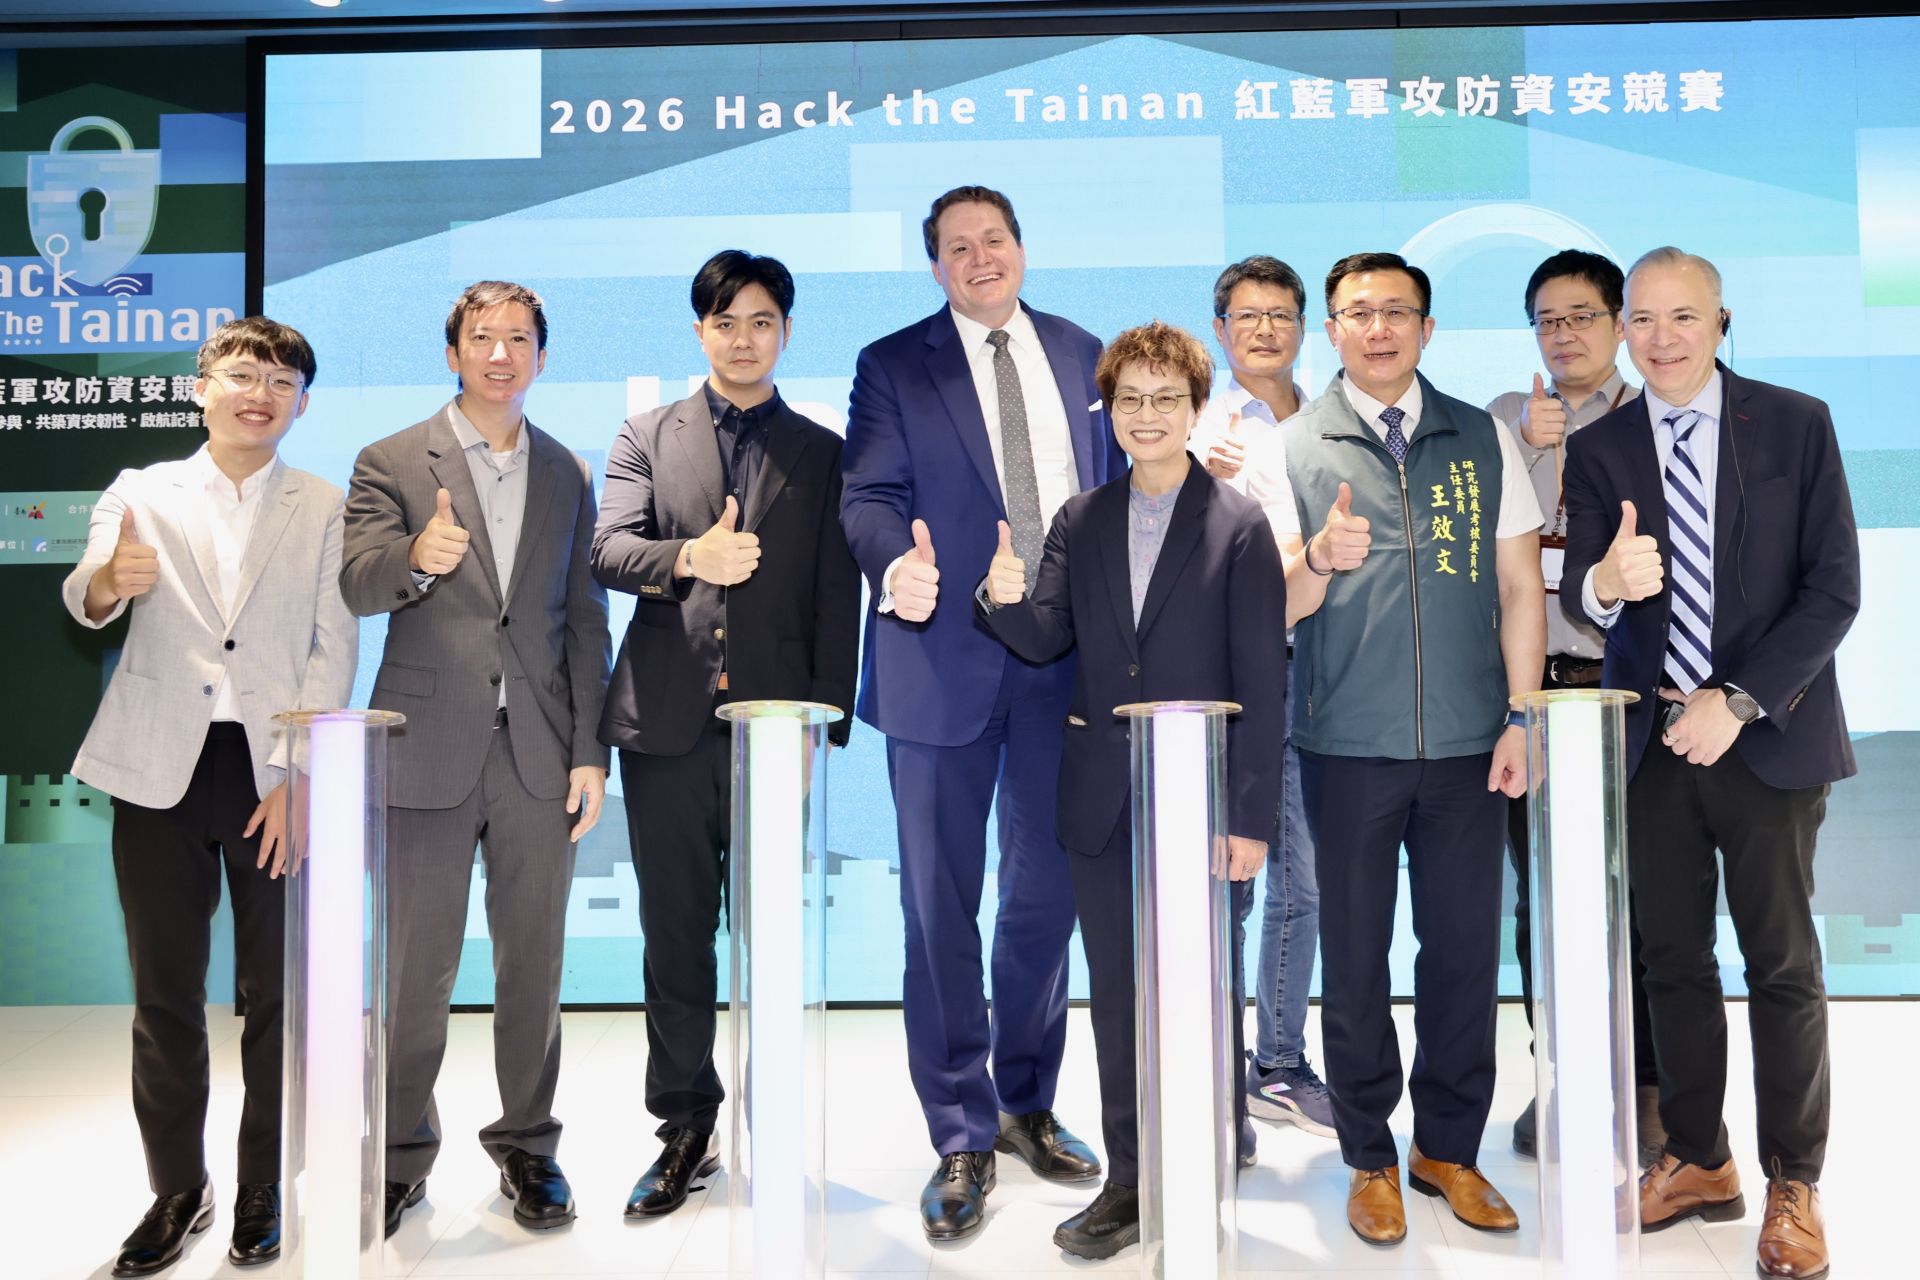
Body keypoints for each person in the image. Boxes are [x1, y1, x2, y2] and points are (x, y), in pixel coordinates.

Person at [1560, 247, 1857, 1280]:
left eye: (1683, 316)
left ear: (1721, 321)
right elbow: (1580, 597)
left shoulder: (1796, 422)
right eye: (1642, 319)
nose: (1662, 338)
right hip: (1652, 747)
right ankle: (1698, 1156)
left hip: (1767, 736)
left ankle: (1794, 1182)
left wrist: (1734, 701)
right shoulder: (1599, 447)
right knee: (1672, 962)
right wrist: (1605, 582)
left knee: (1782, 965)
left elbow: (1834, 589)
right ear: (1623, 329)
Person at [840, 185, 1127, 1240]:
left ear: (1020, 246)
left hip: (1065, 664)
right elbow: (868, 497)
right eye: (956, 248)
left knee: (1046, 897)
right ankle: (960, 1130)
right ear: (936, 267)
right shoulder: (893, 364)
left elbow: (1118, 488)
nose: (978, 258)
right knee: (939, 905)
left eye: (992, 239)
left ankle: (1025, 1098)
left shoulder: (1084, 353)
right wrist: (895, 570)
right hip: (937, 660)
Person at [1243, 251, 1545, 1245]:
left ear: (1426, 327)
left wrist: (1523, 717)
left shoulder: (1482, 437)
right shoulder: (1288, 447)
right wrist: (1316, 559)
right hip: (1345, 744)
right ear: (1332, 329)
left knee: (1462, 954)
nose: (1379, 329)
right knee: (1356, 958)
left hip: (1469, 744)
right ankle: (1370, 1153)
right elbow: (1270, 605)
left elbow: (1518, 587)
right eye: (1359, 313)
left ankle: (1447, 1148)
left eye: (1397, 312)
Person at [977, 320, 1286, 1258]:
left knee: (1198, 996)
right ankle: (1131, 1182)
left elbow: (1262, 681)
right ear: (1107, 410)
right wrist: (998, 598)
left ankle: (1202, 1158)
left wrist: (1249, 818)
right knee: (1118, 1000)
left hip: (1200, 805)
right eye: (1130, 400)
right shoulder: (1081, 519)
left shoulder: (1238, 524)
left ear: (1196, 410)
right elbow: (1046, 637)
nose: (1147, 416)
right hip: (1102, 801)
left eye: (1166, 399)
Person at [62, 317, 356, 1276]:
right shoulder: (141, 489)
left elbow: (333, 644)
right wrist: (109, 581)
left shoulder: (323, 503)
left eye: (280, 381)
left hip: (269, 771)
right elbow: (85, 593)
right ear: (202, 389)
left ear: (301, 403)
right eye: (240, 374)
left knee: (276, 995)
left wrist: (299, 772)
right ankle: (177, 1190)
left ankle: (263, 1183)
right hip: (158, 768)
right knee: (165, 994)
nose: (258, 394)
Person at [590, 251, 860, 1217]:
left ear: (785, 331)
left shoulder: (824, 450)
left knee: (771, 940)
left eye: (761, 322)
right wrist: (689, 558)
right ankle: (685, 1129)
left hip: (776, 729)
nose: (743, 339)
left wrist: (820, 725)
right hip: (664, 726)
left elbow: (837, 594)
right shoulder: (645, 434)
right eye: (725, 322)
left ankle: (772, 1121)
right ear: (699, 331)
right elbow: (608, 549)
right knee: (676, 938)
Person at [340, 281, 611, 1237]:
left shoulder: (567, 471)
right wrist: (418, 556)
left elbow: (584, 620)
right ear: (453, 352)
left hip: (540, 753)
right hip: (424, 749)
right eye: (483, 337)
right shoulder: (389, 459)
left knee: (533, 965)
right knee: (415, 972)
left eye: (520, 339)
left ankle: (529, 1148)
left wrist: (590, 751)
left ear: (542, 355)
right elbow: (357, 584)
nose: (501, 354)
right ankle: (399, 1153)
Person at [1485, 249, 1664, 1165]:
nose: (1564, 335)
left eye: (1583, 316)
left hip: (1627, 688)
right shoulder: (1502, 418)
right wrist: (1527, 443)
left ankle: (1647, 1085)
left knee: (1641, 896)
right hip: (1538, 691)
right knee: (1544, 904)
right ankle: (1561, 1076)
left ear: (1619, 324)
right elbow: (1493, 547)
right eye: (1547, 320)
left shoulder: (1655, 416)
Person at [1192, 254, 1336, 1139]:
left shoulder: (1330, 419)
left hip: (1325, 671)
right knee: (1227, 884)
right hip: (1236, 680)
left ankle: (1278, 1064)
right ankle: (1214, 1075)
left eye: (1280, 315)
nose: (1264, 330)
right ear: (1220, 330)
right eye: (1247, 316)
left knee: (1304, 880)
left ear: (1303, 326)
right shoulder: (1194, 427)